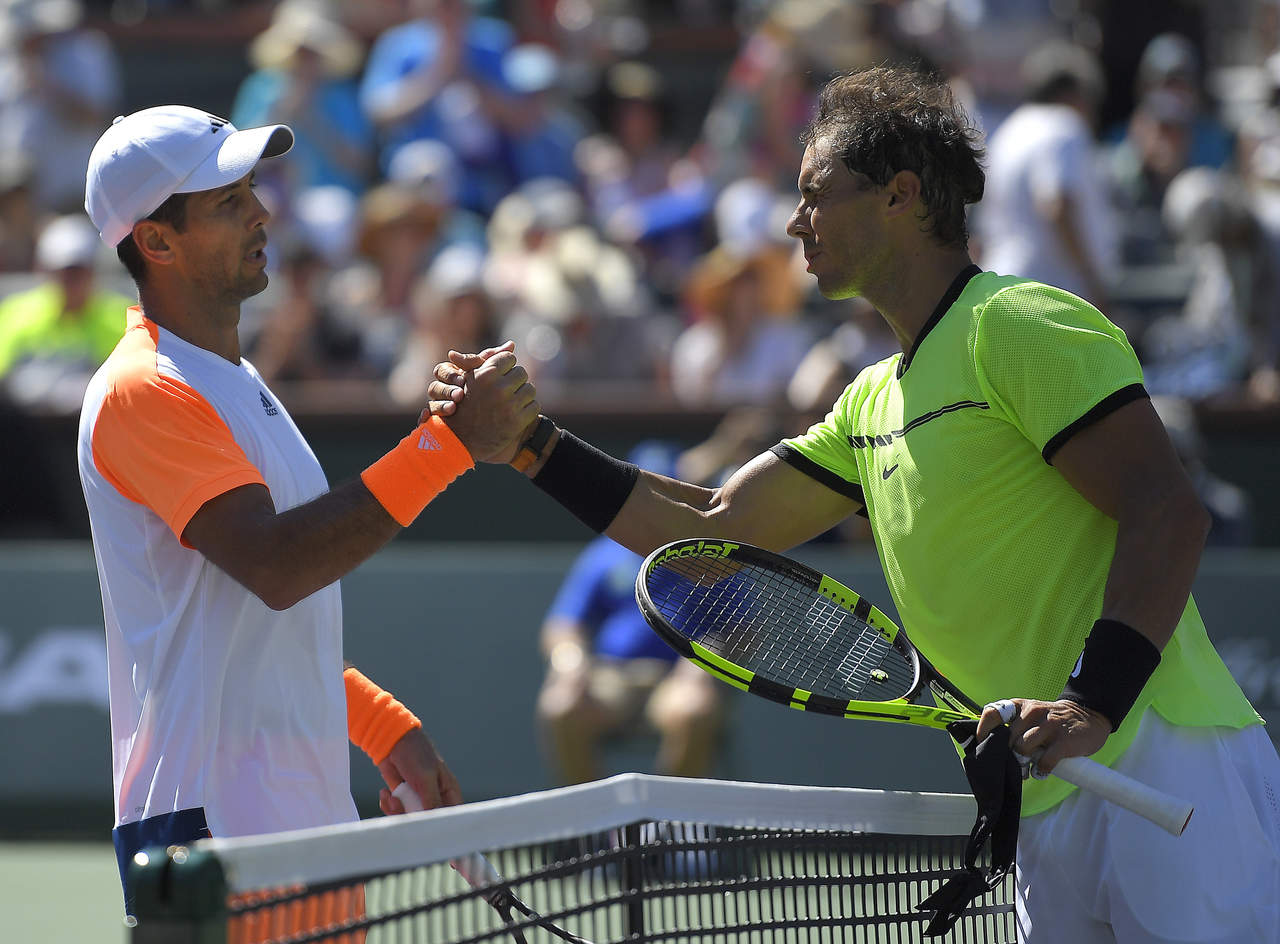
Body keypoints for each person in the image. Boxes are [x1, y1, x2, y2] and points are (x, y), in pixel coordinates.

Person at [430, 66, 1280, 942]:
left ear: (901, 196)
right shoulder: (869, 402)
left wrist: (1091, 703)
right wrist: (529, 448)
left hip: (1161, 760)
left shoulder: (1016, 321)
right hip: (1047, 791)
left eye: (815, 195)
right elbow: (710, 533)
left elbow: (1166, 510)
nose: (795, 222)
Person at [77, 105, 538, 918]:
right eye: (227, 202)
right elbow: (279, 565)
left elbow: (254, 633)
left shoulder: (236, 379)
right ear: (156, 242)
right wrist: (447, 446)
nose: (261, 212)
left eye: (251, 190)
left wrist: (381, 726)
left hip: (306, 829)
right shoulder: (141, 389)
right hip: (210, 844)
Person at [536, 442, 722, 786]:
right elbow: (564, 624)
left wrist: (699, 668)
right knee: (562, 707)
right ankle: (595, 815)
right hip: (611, 678)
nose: (656, 508)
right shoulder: (604, 554)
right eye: (646, 496)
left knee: (694, 711)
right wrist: (571, 664)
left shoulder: (712, 554)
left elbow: (737, 627)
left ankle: (666, 816)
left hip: (673, 679)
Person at [977, 41, 1118, 308]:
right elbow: (1056, 205)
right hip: (1048, 296)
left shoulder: (1009, 131)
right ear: (1072, 94)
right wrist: (1092, 282)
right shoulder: (1063, 125)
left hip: (1002, 289)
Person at [0, 213, 131, 413]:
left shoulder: (123, 317)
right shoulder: (15, 313)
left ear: (93, 271)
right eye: (63, 272)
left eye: (78, 272)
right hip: (24, 424)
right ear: (44, 271)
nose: (70, 281)